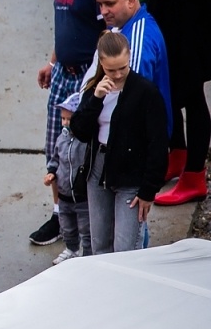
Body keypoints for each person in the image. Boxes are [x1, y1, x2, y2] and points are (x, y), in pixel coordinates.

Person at [125, 0, 211, 206]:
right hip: (177, 26)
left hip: (191, 31)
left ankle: (194, 176)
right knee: (170, 92)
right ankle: (177, 155)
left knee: (191, 98)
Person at [29, 0, 107, 248]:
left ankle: (85, 219)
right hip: (62, 72)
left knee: (82, 152)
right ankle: (60, 215)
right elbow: (66, 21)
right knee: (56, 150)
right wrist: (52, 59)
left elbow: (109, 28)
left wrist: (98, 79)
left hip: (86, 78)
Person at [69, 31, 168, 254]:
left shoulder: (146, 93)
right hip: (99, 169)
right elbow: (79, 131)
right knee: (100, 244)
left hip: (131, 175)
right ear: (101, 62)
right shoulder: (95, 89)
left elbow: (158, 144)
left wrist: (148, 190)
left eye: (122, 68)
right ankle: (104, 289)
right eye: (111, 69)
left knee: (125, 249)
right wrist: (96, 99)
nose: (117, 74)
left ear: (129, 58)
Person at [78, 0, 171, 123]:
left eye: (109, 3)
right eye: (100, 4)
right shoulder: (121, 26)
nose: (103, 11)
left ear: (131, 0)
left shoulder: (138, 38)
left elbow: (131, 99)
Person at [45, 92, 91, 263]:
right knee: (67, 227)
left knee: (86, 229)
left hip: (82, 196)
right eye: (63, 119)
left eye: (69, 119)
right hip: (64, 196)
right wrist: (51, 172)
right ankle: (71, 249)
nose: (65, 123)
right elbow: (55, 159)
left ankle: (87, 255)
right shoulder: (61, 139)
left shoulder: (86, 141)